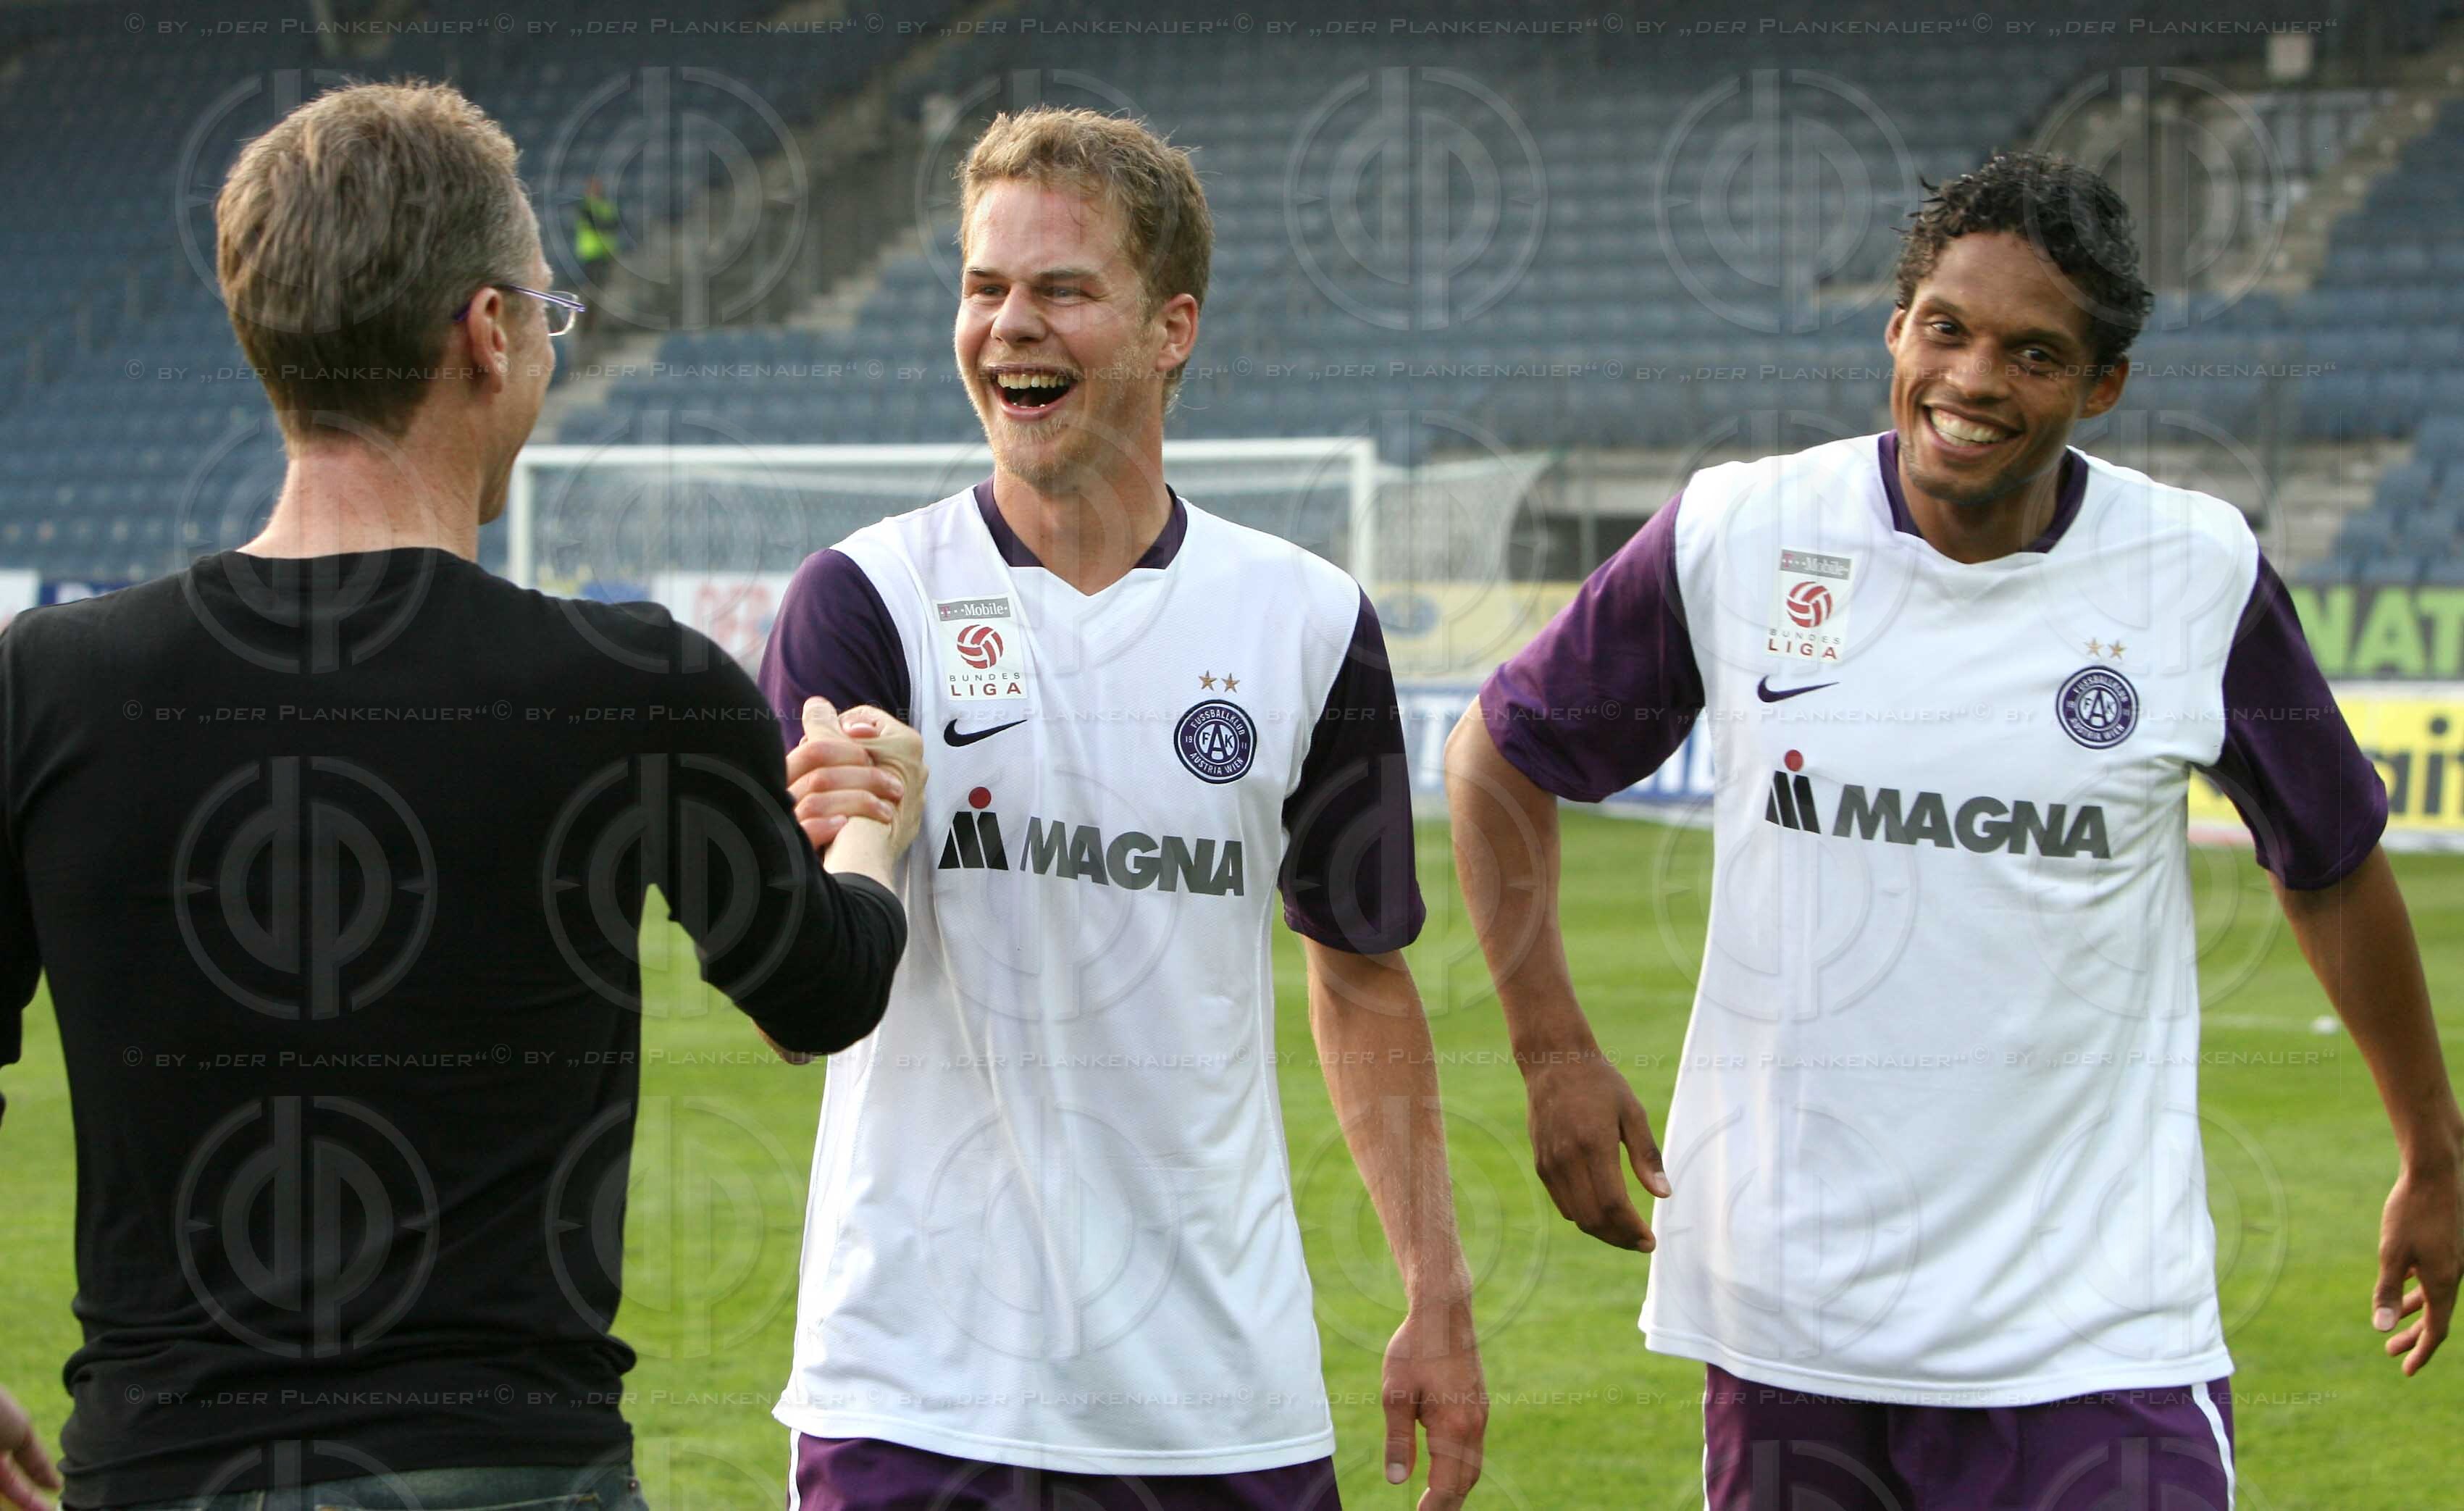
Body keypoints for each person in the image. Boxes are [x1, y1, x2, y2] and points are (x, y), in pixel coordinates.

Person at [1443, 151, 2462, 1510]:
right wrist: (1553, 1050)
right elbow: (1497, 755)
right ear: (1896, 327)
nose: (1973, 382)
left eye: (2032, 354)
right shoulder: (1742, 532)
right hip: (1791, 1319)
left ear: (2100, 387)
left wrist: (2433, 1154)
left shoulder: (2194, 573)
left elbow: (2330, 867)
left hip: (2100, 1329)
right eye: (1946, 329)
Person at [0, 82, 922, 1510]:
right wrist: (871, 816)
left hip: (166, 1468)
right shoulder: (632, 684)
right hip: (513, 1466)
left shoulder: (47, 683)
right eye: (548, 317)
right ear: (486, 333)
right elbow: (817, 992)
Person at [758, 107, 1488, 1510]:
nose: (1009, 326)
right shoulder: (862, 599)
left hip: (1220, 1398)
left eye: (1061, 290)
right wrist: (854, 841)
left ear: (1171, 328)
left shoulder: (1305, 617)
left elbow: (1359, 968)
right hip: (919, 1390)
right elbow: (799, 1012)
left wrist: (1437, 1293)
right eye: (984, 288)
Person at [572, 175, 619, 330]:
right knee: (592, 290)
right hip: (591, 254)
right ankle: (588, 321)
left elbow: (614, 224)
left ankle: (599, 321)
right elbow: (601, 225)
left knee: (604, 289)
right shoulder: (585, 207)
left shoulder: (605, 206)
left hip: (606, 254)